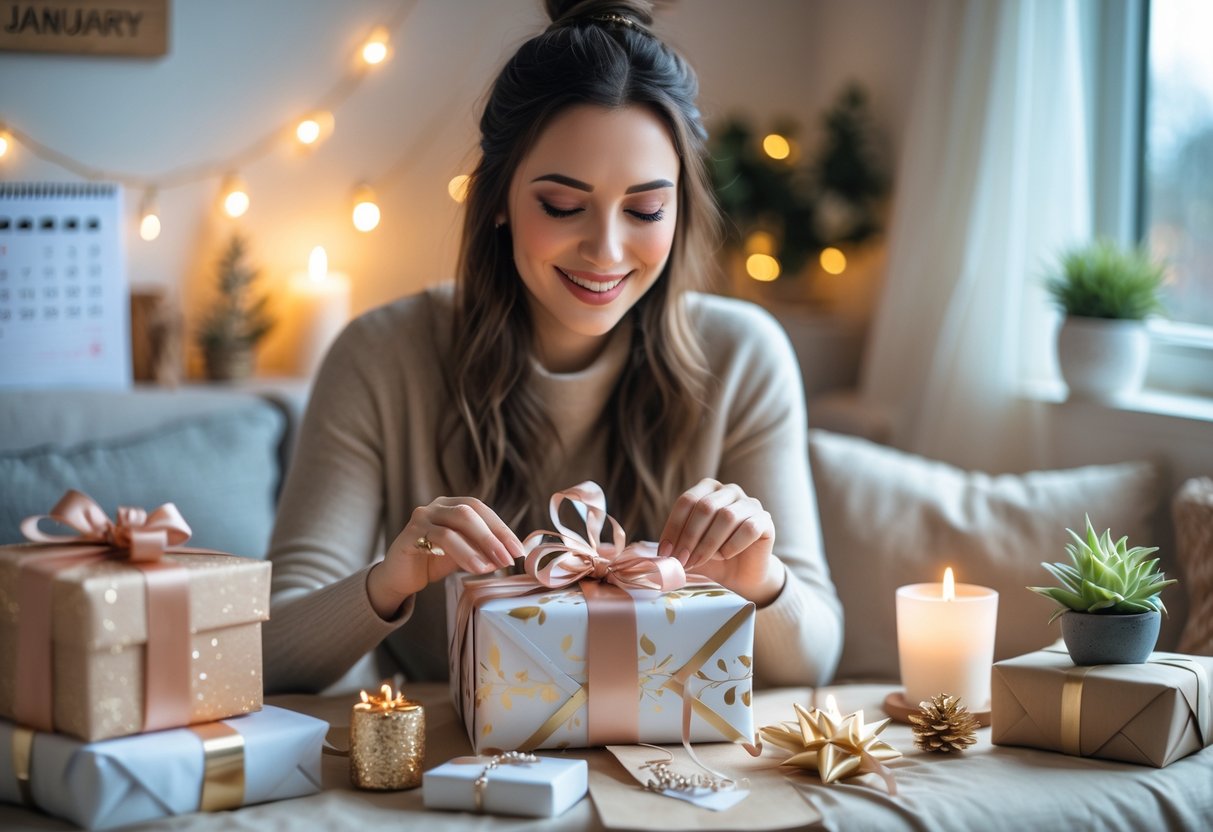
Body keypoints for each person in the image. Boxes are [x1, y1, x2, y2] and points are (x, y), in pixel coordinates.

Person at [263, 0, 843, 694]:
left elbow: (815, 660)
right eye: (562, 206)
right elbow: (269, 656)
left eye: (645, 209)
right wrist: (393, 579)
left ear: (680, 206)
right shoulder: (380, 356)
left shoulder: (745, 355)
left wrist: (761, 581)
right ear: (499, 199)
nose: (604, 250)